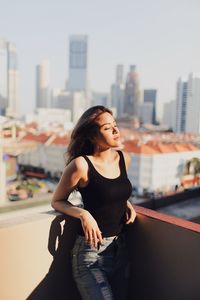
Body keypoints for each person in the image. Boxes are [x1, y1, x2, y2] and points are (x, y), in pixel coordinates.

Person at [51, 105, 136, 300]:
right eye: (107, 128)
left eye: (115, 125)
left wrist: (125, 203)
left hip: (120, 251)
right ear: (92, 136)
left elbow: (113, 190)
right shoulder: (81, 165)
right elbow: (57, 201)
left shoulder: (124, 159)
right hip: (90, 257)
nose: (116, 130)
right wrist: (83, 214)